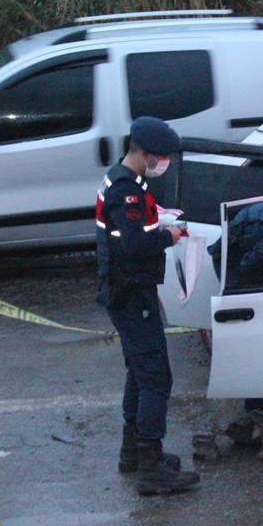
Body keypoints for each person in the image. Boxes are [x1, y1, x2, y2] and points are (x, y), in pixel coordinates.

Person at [96, 116, 200, 496]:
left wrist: (158, 225)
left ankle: (134, 452)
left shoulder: (124, 181)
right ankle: (151, 466)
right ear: (143, 152)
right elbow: (132, 245)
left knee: (139, 373)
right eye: (161, 157)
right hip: (131, 294)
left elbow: (132, 233)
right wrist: (169, 235)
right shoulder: (126, 191)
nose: (164, 163)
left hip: (127, 292)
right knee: (156, 377)